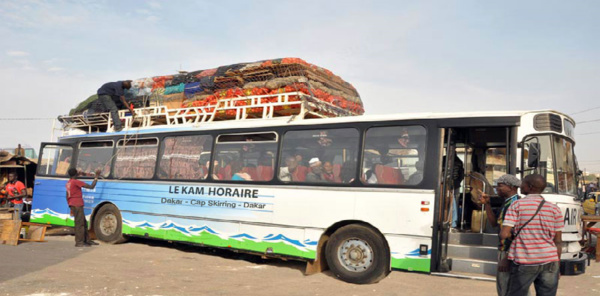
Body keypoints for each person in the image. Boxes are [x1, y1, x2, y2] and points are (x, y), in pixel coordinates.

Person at [500, 174, 563, 296]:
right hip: (550, 261)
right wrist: (557, 265)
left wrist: (513, 234)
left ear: (529, 187)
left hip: (525, 260)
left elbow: (504, 234)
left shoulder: (517, 205)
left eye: (522, 183)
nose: (520, 186)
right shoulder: (554, 209)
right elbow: (558, 241)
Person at [478, 174, 523, 296]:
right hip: (505, 251)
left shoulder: (515, 204)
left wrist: (506, 256)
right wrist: (487, 204)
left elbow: (514, 234)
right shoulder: (506, 203)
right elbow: (494, 224)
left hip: (509, 252)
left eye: (500, 186)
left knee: (507, 289)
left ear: (511, 187)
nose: (497, 189)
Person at [66, 168, 101, 247]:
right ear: (76, 174)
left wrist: (70, 205)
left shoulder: (69, 183)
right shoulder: (76, 182)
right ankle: (79, 242)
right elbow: (91, 186)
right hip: (77, 205)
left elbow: (67, 195)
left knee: (84, 223)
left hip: (73, 204)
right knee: (80, 224)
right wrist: (96, 177)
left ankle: (87, 240)